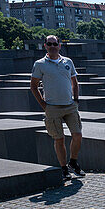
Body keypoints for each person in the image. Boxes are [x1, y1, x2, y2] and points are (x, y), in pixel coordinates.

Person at [30, 35, 83, 177]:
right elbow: (33, 86)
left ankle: (73, 161)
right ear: (45, 46)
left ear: (60, 45)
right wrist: (44, 105)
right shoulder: (40, 64)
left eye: (55, 44)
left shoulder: (68, 62)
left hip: (70, 105)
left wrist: (76, 99)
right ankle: (64, 168)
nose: (52, 46)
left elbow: (74, 81)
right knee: (59, 139)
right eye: (49, 44)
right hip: (52, 107)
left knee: (77, 135)